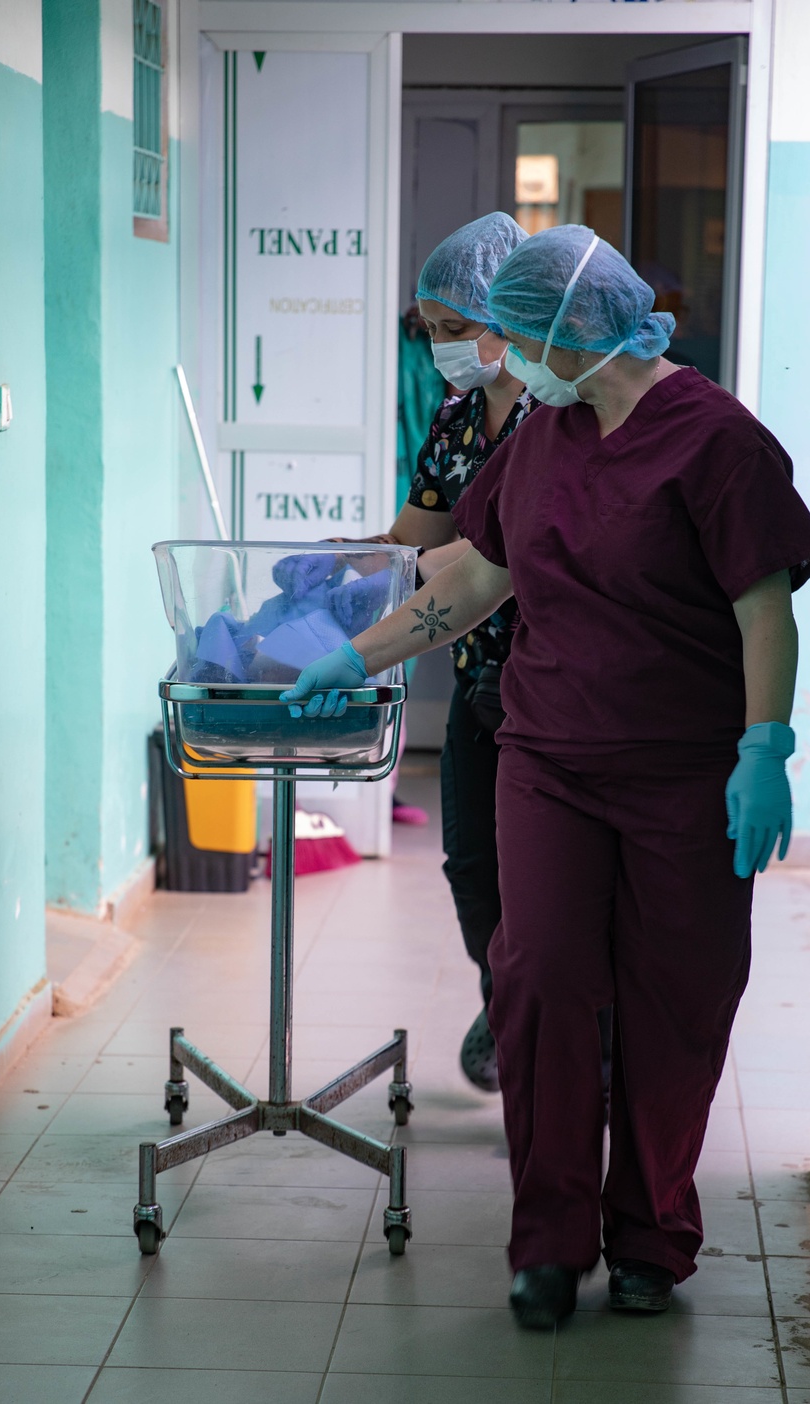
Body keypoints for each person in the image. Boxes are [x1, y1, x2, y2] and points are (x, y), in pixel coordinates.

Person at [281, 224, 810, 1331]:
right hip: (547, 760)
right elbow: (478, 577)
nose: (509, 360)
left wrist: (764, 749)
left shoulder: (717, 441)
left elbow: (761, 609)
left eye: (520, 338)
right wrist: (359, 655)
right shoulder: (541, 439)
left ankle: (649, 1239)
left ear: (581, 331)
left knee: (678, 1005)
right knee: (536, 984)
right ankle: (547, 1244)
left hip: (683, 771)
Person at [337, 211, 540, 1091]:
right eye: (432, 332)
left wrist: (399, 588)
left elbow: (485, 558)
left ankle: (566, 1044)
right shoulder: (457, 421)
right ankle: (507, 1000)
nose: (444, 349)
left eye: (460, 330)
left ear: (511, 323)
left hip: (553, 686)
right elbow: (410, 540)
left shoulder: (557, 416)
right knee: (473, 871)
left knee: (552, 887)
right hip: (475, 683)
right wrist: (333, 568)